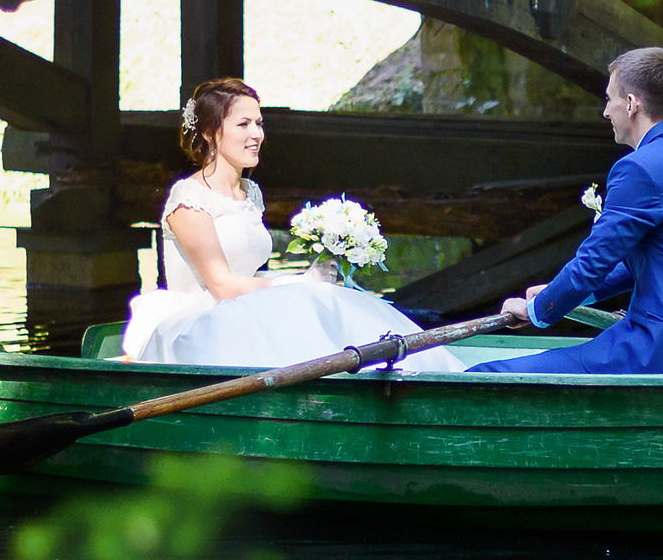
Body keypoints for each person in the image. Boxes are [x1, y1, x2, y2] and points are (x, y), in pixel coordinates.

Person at [119, 77, 463, 374]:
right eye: (244, 125)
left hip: (243, 305)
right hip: (200, 318)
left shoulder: (250, 192)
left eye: (260, 123)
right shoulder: (188, 199)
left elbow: (251, 275)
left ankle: (420, 369)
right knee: (304, 298)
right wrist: (297, 282)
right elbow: (222, 286)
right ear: (210, 133)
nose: (256, 134)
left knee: (334, 298)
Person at [468, 47, 663, 375]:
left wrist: (537, 310)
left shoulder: (639, 169)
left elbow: (591, 264)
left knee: (485, 374)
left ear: (631, 104)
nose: (605, 112)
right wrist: (566, 292)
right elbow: (652, 262)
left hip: (656, 353)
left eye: (609, 99)